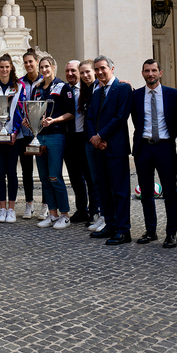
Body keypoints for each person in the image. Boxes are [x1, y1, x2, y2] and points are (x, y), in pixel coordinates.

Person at [130, 59, 177, 247]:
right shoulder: (135, 96)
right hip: (143, 148)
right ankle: (150, 231)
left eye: (153, 70)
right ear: (142, 73)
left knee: (170, 192)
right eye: (146, 71)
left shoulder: (173, 95)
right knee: (146, 192)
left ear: (160, 72)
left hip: (165, 147)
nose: (150, 74)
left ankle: (171, 233)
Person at [86, 55, 133, 245]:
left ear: (111, 68)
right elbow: (89, 118)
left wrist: (101, 136)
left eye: (102, 68)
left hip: (116, 148)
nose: (99, 72)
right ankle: (111, 224)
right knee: (104, 189)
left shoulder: (123, 88)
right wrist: (94, 139)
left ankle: (123, 230)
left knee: (120, 191)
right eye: (96, 69)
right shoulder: (97, 92)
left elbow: (121, 117)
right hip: (99, 148)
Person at [29, 56, 75, 229]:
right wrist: (29, 121)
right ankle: (53, 214)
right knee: (44, 178)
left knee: (55, 176)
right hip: (39, 135)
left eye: (47, 66)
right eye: (42, 67)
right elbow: (33, 109)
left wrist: (54, 121)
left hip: (56, 135)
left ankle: (65, 214)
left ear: (53, 67)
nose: (45, 69)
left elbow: (71, 113)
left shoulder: (62, 87)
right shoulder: (36, 88)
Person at [0, 53, 28, 223]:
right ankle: (2, 208)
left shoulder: (19, 87)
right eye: (1, 67)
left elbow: (21, 111)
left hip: (13, 136)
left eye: (7, 67)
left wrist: (16, 131)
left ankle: (11, 209)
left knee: (11, 172)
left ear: (11, 68)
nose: (4, 70)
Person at [63, 60, 97, 225]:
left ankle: (94, 211)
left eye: (73, 71)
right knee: (75, 177)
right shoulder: (63, 89)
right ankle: (81, 209)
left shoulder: (88, 90)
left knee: (90, 177)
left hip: (84, 138)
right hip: (69, 138)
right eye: (67, 71)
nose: (70, 74)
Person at [77, 60, 102, 228]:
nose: (85, 75)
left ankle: (102, 213)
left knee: (100, 180)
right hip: (88, 140)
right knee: (93, 179)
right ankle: (95, 212)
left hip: (99, 140)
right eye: (82, 73)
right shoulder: (84, 91)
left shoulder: (100, 88)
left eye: (88, 72)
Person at [18, 49, 41, 219]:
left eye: (31, 61)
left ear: (37, 62)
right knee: (26, 170)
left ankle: (47, 205)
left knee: (44, 170)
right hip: (25, 131)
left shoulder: (45, 81)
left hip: (41, 132)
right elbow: (16, 106)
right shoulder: (19, 83)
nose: (28, 65)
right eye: (26, 62)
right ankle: (29, 204)